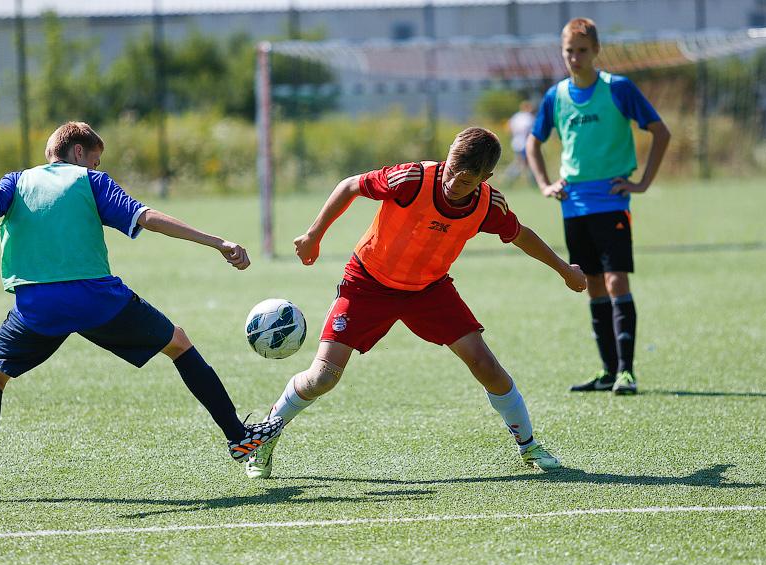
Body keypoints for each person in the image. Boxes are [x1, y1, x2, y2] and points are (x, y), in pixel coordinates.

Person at [0, 121, 283, 503]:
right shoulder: (91, 182)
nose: (95, 166)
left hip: (38, 307)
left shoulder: (17, 182)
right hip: (98, 301)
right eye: (95, 159)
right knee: (177, 343)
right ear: (78, 152)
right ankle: (239, 438)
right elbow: (147, 217)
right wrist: (217, 242)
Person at [244, 126, 587, 480]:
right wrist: (314, 234)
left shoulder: (488, 205)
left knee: (484, 363)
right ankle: (265, 434)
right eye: (452, 170)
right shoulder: (411, 179)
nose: (453, 183)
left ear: (486, 178)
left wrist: (565, 270)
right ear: (449, 154)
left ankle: (528, 445)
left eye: (467, 181)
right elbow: (349, 185)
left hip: (429, 290)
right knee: (323, 377)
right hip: (367, 284)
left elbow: (520, 235)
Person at [525, 18, 671, 395]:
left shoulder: (618, 88)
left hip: (611, 201)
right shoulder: (556, 95)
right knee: (592, 285)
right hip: (573, 205)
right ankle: (608, 371)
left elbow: (660, 131)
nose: (575, 57)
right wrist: (545, 184)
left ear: (596, 51)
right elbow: (532, 143)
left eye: (582, 50)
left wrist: (642, 182)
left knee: (616, 279)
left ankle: (627, 373)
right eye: (569, 51)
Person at [501, 100, 535, 185]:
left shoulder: (516, 117)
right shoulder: (529, 117)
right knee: (525, 163)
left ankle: (508, 179)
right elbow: (531, 132)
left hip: (516, 143)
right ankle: (508, 178)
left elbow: (509, 128)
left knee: (522, 163)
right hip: (525, 144)